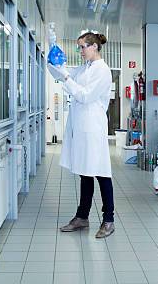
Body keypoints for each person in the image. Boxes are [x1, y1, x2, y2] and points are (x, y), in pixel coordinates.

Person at [47, 32, 115, 238]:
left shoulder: (103, 71)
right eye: (79, 47)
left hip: (93, 127)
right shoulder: (85, 68)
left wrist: (66, 77)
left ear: (94, 46)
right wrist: (52, 54)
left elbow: (84, 95)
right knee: (85, 171)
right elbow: (62, 75)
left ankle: (109, 220)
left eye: (83, 47)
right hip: (81, 126)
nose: (80, 51)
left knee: (101, 172)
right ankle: (82, 217)